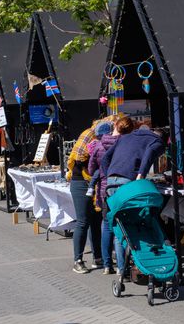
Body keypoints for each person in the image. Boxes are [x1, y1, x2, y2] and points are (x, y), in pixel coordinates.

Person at [89, 116, 134, 275]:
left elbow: (90, 169)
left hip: (104, 189)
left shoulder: (99, 145)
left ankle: (107, 265)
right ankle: (123, 266)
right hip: (123, 188)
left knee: (107, 225)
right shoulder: (127, 144)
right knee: (122, 227)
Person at [66, 119, 107, 273]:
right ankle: (78, 261)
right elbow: (81, 159)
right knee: (83, 221)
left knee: (96, 221)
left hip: (92, 183)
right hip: (80, 183)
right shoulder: (89, 138)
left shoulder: (98, 139)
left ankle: (97, 258)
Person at [101, 123, 166, 194]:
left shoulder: (125, 137)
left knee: (116, 205)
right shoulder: (158, 141)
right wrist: (140, 176)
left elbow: (105, 158)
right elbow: (148, 155)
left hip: (110, 181)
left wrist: (109, 175)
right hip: (128, 181)